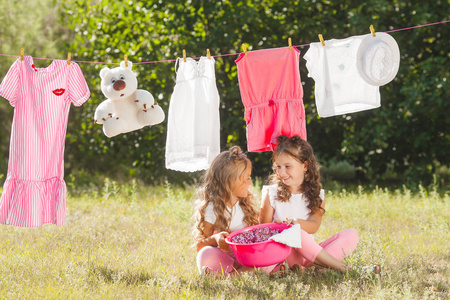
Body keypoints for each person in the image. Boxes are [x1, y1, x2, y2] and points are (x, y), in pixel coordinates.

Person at [260, 135, 360, 273]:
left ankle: (311, 268)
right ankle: (341, 269)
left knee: (351, 234)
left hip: (308, 254)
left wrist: (296, 223)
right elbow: (261, 232)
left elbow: (314, 226)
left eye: (287, 166)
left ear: (305, 166)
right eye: (278, 167)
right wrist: (277, 228)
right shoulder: (271, 194)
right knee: (295, 233)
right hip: (282, 254)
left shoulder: (317, 195)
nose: (281, 172)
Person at [193, 146, 260, 276]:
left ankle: (225, 277)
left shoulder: (245, 205)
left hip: (247, 259)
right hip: (226, 260)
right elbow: (200, 246)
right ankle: (240, 275)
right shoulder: (213, 209)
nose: (250, 183)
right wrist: (216, 238)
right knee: (205, 254)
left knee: (266, 259)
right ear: (229, 182)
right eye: (246, 178)